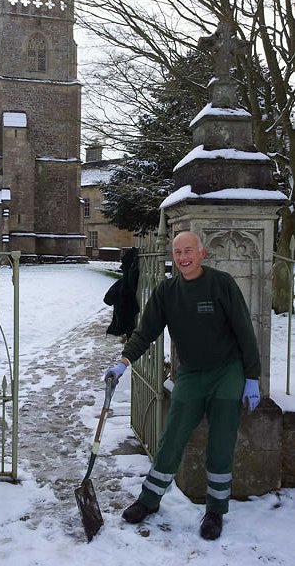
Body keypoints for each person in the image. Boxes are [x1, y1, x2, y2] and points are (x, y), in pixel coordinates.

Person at [105, 231, 261, 540]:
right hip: (190, 373)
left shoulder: (221, 284)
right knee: (172, 435)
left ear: (202, 253)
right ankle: (149, 500)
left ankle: (215, 510)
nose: (182, 257)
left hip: (226, 372)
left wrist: (252, 377)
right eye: (177, 252)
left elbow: (244, 330)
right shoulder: (167, 291)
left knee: (221, 439)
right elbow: (145, 331)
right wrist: (123, 362)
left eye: (188, 250)